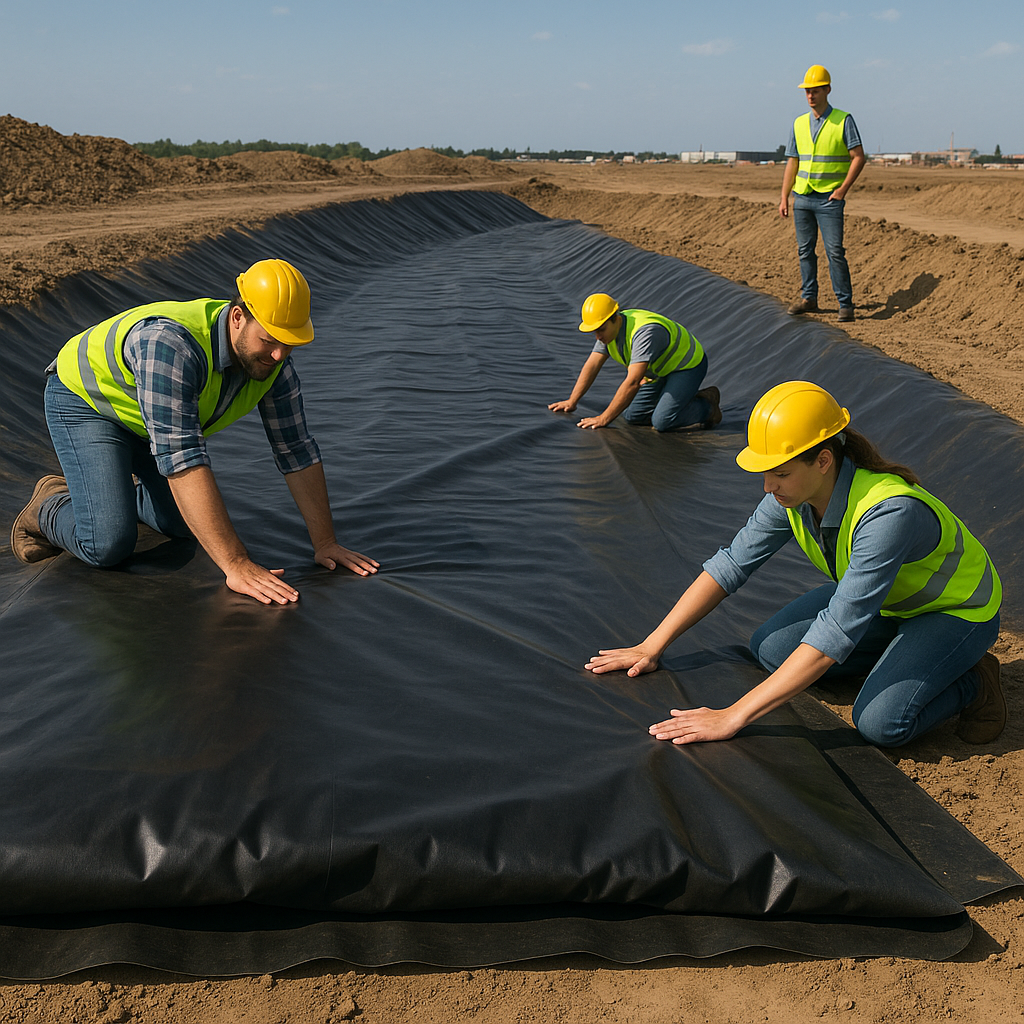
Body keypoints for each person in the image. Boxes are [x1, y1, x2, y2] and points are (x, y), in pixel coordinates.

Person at [585, 380, 1006, 747]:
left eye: (780, 474)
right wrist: (651, 645)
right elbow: (731, 565)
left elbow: (837, 629)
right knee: (770, 649)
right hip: (891, 603)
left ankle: (973, 681)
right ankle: (904, 660)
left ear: (823, 460)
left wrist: (735, 714)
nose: (769, 487)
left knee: (881, 724)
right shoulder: (792, 496)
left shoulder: (889, 512)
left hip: (953, 611)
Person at [11, 258, 379, 605]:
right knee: (108, 544)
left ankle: (112, 492)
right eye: (269, 340)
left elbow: (296, 449)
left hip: (147, 419)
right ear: (238, 317)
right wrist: (235, 563)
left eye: (289, 342)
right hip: (87, 403)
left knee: (185, 525)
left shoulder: (274, 366)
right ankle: (49, 505)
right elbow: (182, 457)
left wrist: (326, 542)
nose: (280, 355)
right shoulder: (171, 345)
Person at [548, 293, 721, 432]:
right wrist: (572, 401)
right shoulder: (608, 333)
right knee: (632, 416)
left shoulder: (644, 333)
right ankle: (672, 398)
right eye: (594, 331)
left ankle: (707, 406)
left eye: (601, 330)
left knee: (662, 422)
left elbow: (633, 382)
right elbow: (592, 365)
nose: (598, 337)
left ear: (615, 318)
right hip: (658, 371)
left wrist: (603, 418)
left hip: (686, 366)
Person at [779, 65, 866, 323]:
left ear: (827, 90)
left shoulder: (843, 120)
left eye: (815, 91)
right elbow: (792, 162)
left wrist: (842, 189)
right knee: (805, 251)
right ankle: (809, 298)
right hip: (803, 197)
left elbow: (859, 157)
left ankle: (845, 304)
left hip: (829, 199)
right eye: (807, 91)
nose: (810, 96)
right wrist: (784, 196)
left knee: (834, 251)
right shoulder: (798, 123)